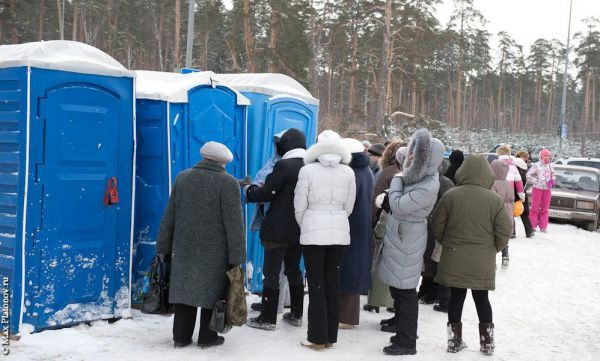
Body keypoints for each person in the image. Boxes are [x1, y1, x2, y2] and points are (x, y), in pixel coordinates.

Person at [156, 141, 246, 349]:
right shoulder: (228, 183)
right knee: (213, 294)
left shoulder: (183, 178)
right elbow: (234, 225)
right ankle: (208, 337)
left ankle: (181, 337)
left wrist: (163, 246)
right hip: (215, 251)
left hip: (184, 247)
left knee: (185, 292)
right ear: (223, 162)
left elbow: (169, 216)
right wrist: (237, 257)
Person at [431, 155, 512, 356]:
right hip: (481, 258)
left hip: (454, 255)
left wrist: (446, 242)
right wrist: (492, 248)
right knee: (481, 298)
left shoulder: (451, 195)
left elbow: (437, 224)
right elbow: (505, 231)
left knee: (456, 297)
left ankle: (454, 341)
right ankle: (487, 342)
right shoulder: (494, 199)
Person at [377, 129, 445, 356]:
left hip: (408, 237)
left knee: (405, 291)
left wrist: (397, 179)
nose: (411, 158)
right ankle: (400, 326)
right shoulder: (420, 177)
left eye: (417, 155)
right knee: (398, 287)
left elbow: (398, 205)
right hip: (402, 235)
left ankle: (407, 341)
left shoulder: (427, 184)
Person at [294, 130, 356, 351]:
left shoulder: (307, 170)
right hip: (339, 232)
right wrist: (337, 219)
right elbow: (349, 206)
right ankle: (330, 335)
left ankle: (316, 337)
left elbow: (299, 204)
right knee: (332, 283)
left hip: (313, 231)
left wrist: (307, 223)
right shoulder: (348, 172)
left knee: (316, 285)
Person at [245, 129, 307, 330]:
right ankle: (296, 314)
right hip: (300, 228)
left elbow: (267, 193)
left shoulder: (284, 165)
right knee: (293, 270)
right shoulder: (309, 166)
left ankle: (268, 318)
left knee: (271, 273)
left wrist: (250, 191)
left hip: (278, 229)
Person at [364, 141, 404, 321]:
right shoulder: (412, 174)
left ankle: (377, 299)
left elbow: (375, 198)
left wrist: (370, 219)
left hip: (384, 220)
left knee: (379, 261)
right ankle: (392, 303)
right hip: (403, 225)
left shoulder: (387, 172)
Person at [338, 138, 374, 329]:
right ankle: (346, 316)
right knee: (353, 268)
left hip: (350, 224)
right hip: (361, 224)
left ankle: (346, 318)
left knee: (347, 269)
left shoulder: (351, 172)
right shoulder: (366, 171)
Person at [419, 161, 454, 310]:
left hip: (436, 226)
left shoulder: (445, 183)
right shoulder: (434, 181)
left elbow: (446, 207)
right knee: (427, 261)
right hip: (428, 224)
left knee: (433, 262)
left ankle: (432, 293)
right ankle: (425, 290)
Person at [490, 145, 524, 268]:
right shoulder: (513, 166)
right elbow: (519, 182)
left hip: (495, 204)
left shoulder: (494, 166)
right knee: (504, 231)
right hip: (507, 205)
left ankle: (492, 259)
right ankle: (505, 255)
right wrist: (521, 194)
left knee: (492, 232)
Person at [527, 149, 555, 233]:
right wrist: (536, 181)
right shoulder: (536, 165)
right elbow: (528, 175)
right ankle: (533, 226)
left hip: (547, 190)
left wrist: (551, 182)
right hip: (537, 189)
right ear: (541, 156)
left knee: (545, 208)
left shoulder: (550, 165)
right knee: (534, 208)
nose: (547, 157)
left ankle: (543, 227)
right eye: (545, 155)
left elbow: (553, 175)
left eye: (548, 156)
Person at [514, 151, 534, 238]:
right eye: (525, 157)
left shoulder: (523, 165)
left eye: (527, 157)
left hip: (515, 191)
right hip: (520, 191)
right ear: (519, 156)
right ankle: (529, 231)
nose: (526, 158)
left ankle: (527, 231)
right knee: (522, 212)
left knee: (522, 212)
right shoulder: (519, 166)